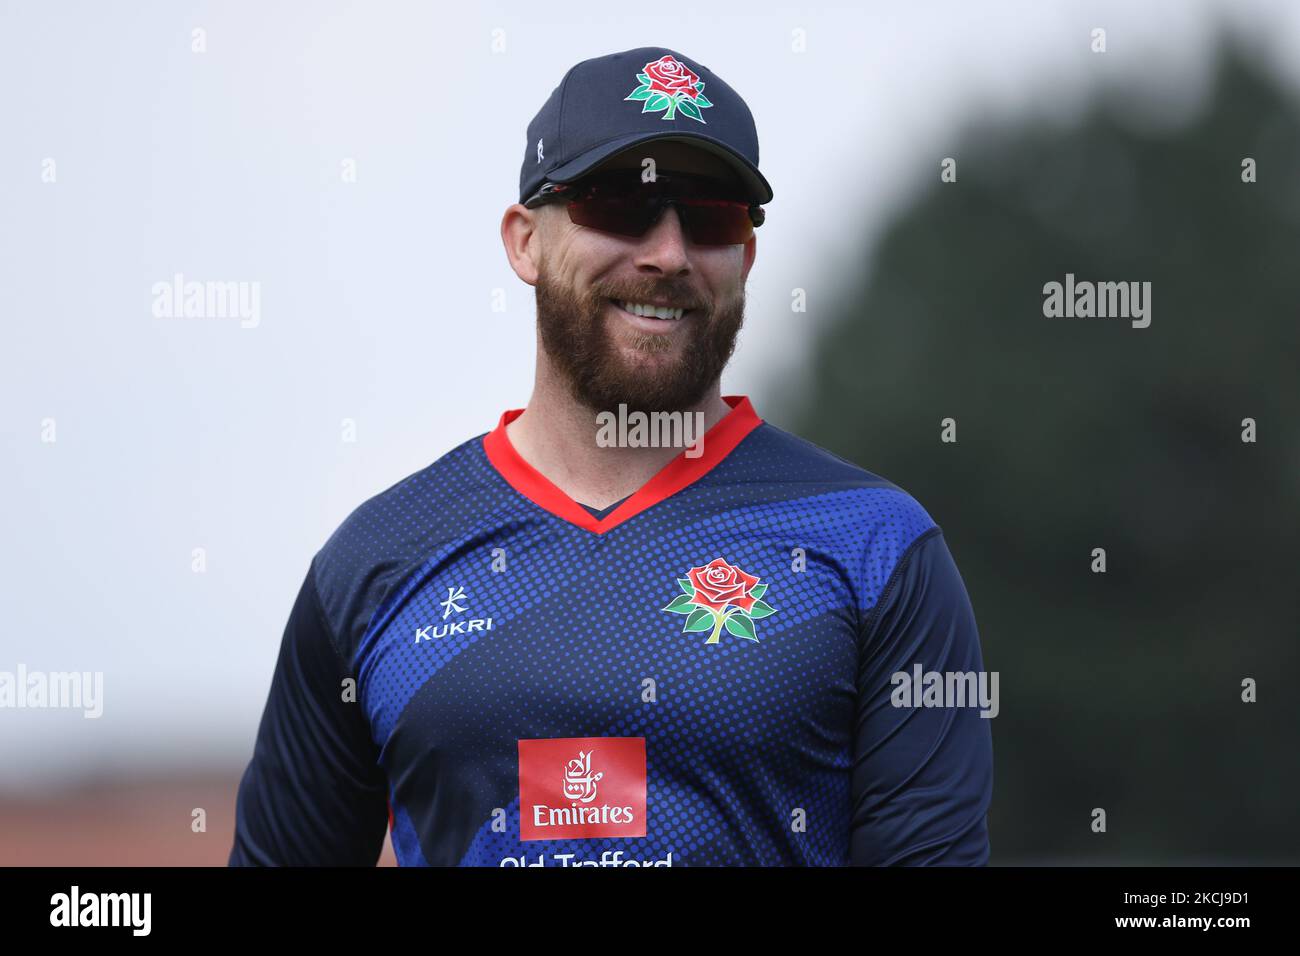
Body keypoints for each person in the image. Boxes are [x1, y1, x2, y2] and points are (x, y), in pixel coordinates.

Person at [229, 46, 992, 866]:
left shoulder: (875, 547)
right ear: (523, 243)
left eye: (710, 217)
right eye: (622, 205)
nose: (668, 254)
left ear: (747, 258)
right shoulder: (374, 564)